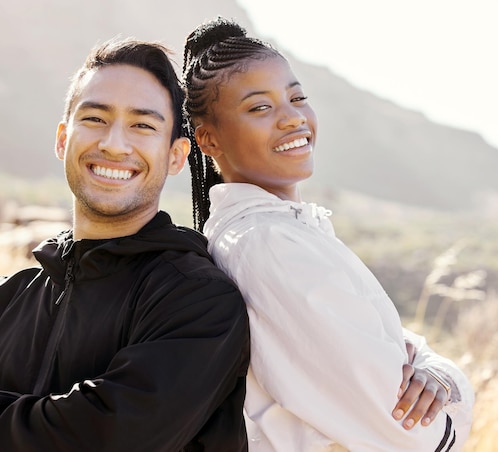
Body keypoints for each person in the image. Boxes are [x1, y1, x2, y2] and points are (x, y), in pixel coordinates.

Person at [0, 38, 251, 451]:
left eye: (143, 125)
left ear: (175, 156)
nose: (114, 144)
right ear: (64, 138)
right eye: (96, 119)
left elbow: (108, 441)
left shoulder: (200, 301)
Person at [182, 17, 474, 452]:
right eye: (260, 107)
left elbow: (406, 350)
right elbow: (416, 435)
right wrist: (458, 398)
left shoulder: (281, 233)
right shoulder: (267, 245)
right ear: (207, 139)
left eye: (297, 97)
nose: (292, 118)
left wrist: (437, 372)